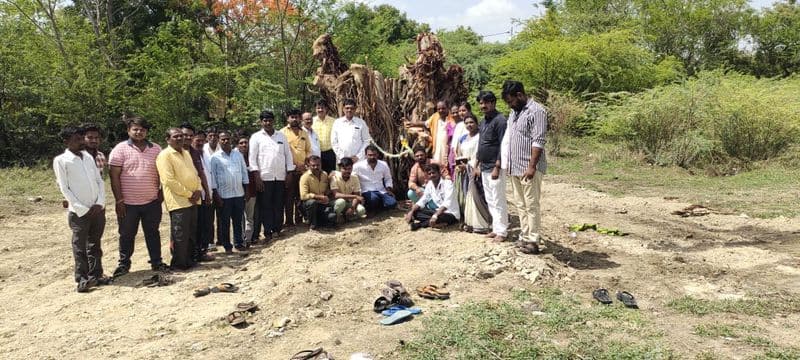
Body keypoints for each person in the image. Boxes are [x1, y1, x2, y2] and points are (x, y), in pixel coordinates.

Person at [108, 115, 167, 277]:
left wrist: (161, 192)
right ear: (128, 130)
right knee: (126, 234)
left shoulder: (156, 149)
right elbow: (114, 176)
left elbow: (163, 172)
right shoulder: (120, 149)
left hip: (151, 201)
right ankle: (124, 264)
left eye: (142, 129)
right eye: (135, 129)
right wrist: (119, 200)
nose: (139, 132)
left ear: (147, 131)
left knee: (153, 233)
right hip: (128, 203)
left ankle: (157, 262)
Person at [54, 126, 110, 292]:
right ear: (66, 141)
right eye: (77, 140)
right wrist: (82, 208)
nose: (82, 142)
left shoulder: (87, 157)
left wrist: (99, 202)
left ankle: (96, 275)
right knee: (80, 246)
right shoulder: (61, 160)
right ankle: (82, 278)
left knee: (95, 244)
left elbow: (99, 181)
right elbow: (64, 188)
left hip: (97, 209)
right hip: (79, 212)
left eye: (81, 138)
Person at [501, 80, 548, 254]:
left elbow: (538, 140)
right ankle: (525, 236)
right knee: (520, 204)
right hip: (515, 167)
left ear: (520, 95)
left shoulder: (537, 111)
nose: (510, 105)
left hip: (529, 168)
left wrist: (531, 166)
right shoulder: (514, 113)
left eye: (511, 101)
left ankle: (534, 241)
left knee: (531, 204)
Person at [156, 128, 202, 270]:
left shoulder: (186, 153)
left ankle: (189, 261)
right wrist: (189, 194)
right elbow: (168, 180)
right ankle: (178, 264)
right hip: (178, 201)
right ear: (168, 139)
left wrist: (199, 190)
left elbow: (195, 174)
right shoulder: (165, 155)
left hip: (193, 199)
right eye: (176, 136)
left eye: (181, 136)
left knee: (191, 233)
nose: (180, 138)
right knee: (180, 234)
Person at [249, 110, 295, 241]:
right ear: (261, 122)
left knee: (279, 204)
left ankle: (277, 229)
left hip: (280, 177)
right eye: (265, 120)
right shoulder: (256, 137)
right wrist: (257, 177)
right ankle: (268, 231)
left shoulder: (281, 136)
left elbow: (288, 156)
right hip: (264, 177)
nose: (267, 123)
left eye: (270, 120)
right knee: (266, 205)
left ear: (273, 121)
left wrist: (289, 173)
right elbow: (252, 159)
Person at [474, 90, 509, 242]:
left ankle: (502, 231)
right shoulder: (483, 121)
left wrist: (498, 166)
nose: (483, 106)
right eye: (481, 103)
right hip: (484, 166)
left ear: (493, 103)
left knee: (498, 199)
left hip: (495, 167)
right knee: (490, 199)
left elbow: (503, 144)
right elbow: (481, 143)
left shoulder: (500, 120)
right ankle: (496, 228)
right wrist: (477, 164)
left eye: (486, 102)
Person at [180, 124, 215, 262]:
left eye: (190, 135)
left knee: (203, 225)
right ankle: (184, 257)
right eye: (185, 135)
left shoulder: (196, 153)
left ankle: (200, 252)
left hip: (200, 196)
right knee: (185, 229)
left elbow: (202, 174)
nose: (188, 138)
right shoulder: (174, 153)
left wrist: (207, 192)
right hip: (183, 197)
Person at [210, 131, 249, 252]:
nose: (225, 141)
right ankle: (227, 245)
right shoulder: (215, 158)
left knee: (238, 221)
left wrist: (246, 190)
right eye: (223, 139)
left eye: (227, 139)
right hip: (224, 196)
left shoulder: (238, 155)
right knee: (224, 222)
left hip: (238, 194)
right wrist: (216, 195)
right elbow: (213, 178)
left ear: (231, 140)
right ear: (219, 141)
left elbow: (244, 172)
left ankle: (239, 243)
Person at [454, 116, 491, 234]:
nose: (469, 125)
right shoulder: (463, 138)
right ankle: (469, 222)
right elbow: (460, 153)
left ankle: (482, 223)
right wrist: (460, 165)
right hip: (465, 171)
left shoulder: (481, 137)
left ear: (476, 123)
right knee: (466, 196)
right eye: (467, 123)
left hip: (477, 169)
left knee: (478, 196)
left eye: (471, 122)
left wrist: (475, 167)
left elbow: (482, 153)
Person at [404, 163, 459, 231]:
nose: (432, 175)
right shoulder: (430, 185)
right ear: (427, 176)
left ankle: (419, 225)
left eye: (433, 173)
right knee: (415, 213)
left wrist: (435, 216)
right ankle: (437, 223)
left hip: (451, 214)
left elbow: (447, 203)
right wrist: (411, 211)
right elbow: (423, 200)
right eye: (429, 174)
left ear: (439, 173)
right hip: (438, 211)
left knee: (440, 217)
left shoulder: (448, 183)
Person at [281, 109, 312, 227]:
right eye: (292, 117)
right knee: (288, 196)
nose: (294, 119)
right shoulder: (282, 133)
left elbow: (308, 150)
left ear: (300, 119)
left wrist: (305, 163)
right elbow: (282, 153)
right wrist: (293, 165)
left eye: (296, 117)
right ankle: (289, 221)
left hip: (303, 170)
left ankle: (299, 219)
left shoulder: (304, 133)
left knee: (300, 195)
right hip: (288, 170)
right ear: (288, 118)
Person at [353, 145, 396, 214]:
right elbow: (351, 177)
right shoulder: (358, 166)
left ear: (377, 155)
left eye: (374, 155)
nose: (372, 157)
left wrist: (389, 188)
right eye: (370, 155)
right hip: (367, 191)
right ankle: (372, 207)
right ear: (365, 155)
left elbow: (388, 178)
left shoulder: (383, 164)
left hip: (381, 190)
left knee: (392, 203)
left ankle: (377, 207)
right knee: (373, 199)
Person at [299, 155, 336, 229]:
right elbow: (303, 196)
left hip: (322, 204)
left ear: (321, 164)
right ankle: (312, 223)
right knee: (312, 202)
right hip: (309, 205)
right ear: (309, 165)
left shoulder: (324, 175)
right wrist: (318, 197)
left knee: (332, 217)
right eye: (313, 165)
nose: (316, 167)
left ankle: (318, 220)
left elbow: (326, 191)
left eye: (318, 165)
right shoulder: (305, 177)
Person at [236, 131, 259, 247]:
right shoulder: (234, 157)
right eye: (241, 143)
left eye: (246, 143)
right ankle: (239, 240)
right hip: (238, 193)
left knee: (250, 217)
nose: (244, 145)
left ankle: (248, 239)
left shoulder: (253, 157)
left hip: (252, 191)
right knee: (239, 219)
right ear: (237, 145)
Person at [331, 98, 372, 164]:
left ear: (355, 109)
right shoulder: (337, 123)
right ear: (343, 109)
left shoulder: (361, 123)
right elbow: (334, 142)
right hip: (343, 161)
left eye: (352, 108)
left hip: (358, 161)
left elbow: (366, 141)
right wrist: (342, 157)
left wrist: (358, 156)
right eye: (347, 108)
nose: (349, 110)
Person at [330, 157, 366, 221]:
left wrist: (352, 208)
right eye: (344, 169)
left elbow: (357, 195)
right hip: (336, 201)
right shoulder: (334, 177)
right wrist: (354, 196)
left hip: (349, 202)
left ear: (352, 168)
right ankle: (336, 218)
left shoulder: (355, 178)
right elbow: (336, 195)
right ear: (340, 168)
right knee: (341, 202)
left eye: (349, 169)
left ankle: (346, 216)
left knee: (362, 211)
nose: (347, 171)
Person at [312, 99, 337, 172]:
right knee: (316, 174)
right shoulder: (311, 121)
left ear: (326, 109)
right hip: (315, 153)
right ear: (315, 109)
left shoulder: (333, 121)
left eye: (322, 108)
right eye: (318, 108)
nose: (320, 110)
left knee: (330, 174)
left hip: (330, 153)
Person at [426, 101, 450, 166]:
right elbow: (425, 124)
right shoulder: (435, 117)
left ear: (448, 108)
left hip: (449, 150)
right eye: (439, 109)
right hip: (437, 149)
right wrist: (412, 123)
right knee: (437, 167)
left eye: (443, 108)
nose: (441, 110)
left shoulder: (452, 118)